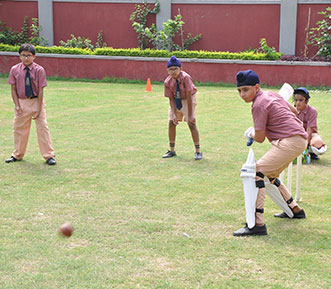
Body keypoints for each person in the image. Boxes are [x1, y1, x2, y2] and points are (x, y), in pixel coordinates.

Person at [233, 70, 307, 237]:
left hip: (289, 141)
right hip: (299, 139)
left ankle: (257, 224)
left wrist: (250, 132)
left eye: (245, 90)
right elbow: (294, 112)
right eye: (239, 91)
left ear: (256, 87)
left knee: (255, 173)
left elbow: (259, 138)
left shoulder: (259, 104)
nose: (242, 94)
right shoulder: (271, 95)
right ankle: (295, 209)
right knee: (270, 175)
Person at [5, 43, 56, 165]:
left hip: (36, 101)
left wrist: (39, 107)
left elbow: (40, 90)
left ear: (34, 56)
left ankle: (49, 156)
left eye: (28, 55)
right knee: (19, 129)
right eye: (23, 55)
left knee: (43, 128)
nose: (26, 58)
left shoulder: (39, 70)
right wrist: (17, 105)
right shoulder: (14, 70)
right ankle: (17, 154)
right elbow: (13, 89)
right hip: (22, 102)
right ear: (19, 56)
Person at [162, 56, 202, 160]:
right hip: (176, 100)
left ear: (180, 69)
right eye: (170, 69)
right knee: (171, 122)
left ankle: (198, 151)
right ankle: (172, 150)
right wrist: (174, 114)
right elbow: (171, 99)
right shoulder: (167, 82)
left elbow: (189, 95)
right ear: (167, 70)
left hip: (188, 99)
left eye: (175, 68)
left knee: (191, 123)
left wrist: (190, 114)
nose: (173, 71)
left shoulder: (186, 77)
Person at [293, 87, 327, 161]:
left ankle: (312, 152)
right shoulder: (292, 111)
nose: (298, 102)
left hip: (311, 134)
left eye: (301, 100)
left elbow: (310, 129)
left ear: (306, 101)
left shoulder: (312, 111)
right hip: (297, 133)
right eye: (296, 100)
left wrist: (306, 144)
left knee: (318, 144)